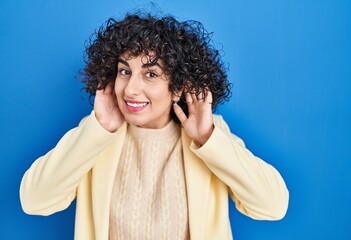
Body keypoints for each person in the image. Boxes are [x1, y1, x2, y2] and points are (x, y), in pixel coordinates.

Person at [20, 12, 289, 240]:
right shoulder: (96, 134)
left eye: (150, 74)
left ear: (178, 87)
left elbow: (273, 206)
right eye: (125, 71)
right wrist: (99, 128)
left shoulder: (210, 135)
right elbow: (34, 201)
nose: (131, 89)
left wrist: (208, 138)